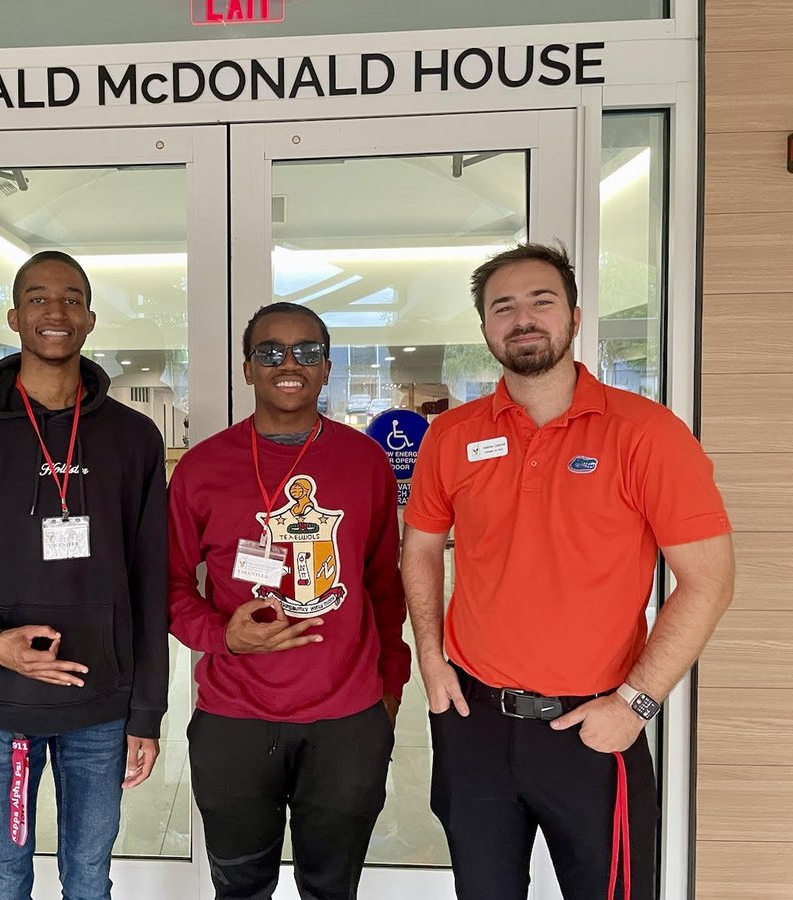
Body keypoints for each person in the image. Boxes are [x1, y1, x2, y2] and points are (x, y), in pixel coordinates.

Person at [402, 243, 734, 900]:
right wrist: (432, 660)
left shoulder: (646, 434)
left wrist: (637, 704)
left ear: (575, 318)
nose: (522, 318)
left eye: (540, 301)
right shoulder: (452, 435)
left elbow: (709, 581)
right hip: (474, 720)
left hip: (593, 726)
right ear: (486, 329)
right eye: (504, 307)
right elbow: (419, 548)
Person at [0, 250, 168, 900]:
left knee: (89, 878)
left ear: (88, 318)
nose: (54, 311)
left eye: (70, 298)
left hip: (101, 705)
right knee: (3, 878)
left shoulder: (134, 437)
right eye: (37, 298)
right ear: (13, 316)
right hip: (1, 706)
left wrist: (147, 710)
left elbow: (151, 578)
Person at [168, 301, 411, 900]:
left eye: (306, 351)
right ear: (247, 369)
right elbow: (167, 587)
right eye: (269, 351)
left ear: (327, 368)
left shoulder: (364, 463)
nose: (288, 363)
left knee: (331, 887)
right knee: (240, 886)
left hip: (346, 720)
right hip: (234, 720)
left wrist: (388, 693)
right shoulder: (202, 468)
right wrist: (222, 634)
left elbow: (386, 588)